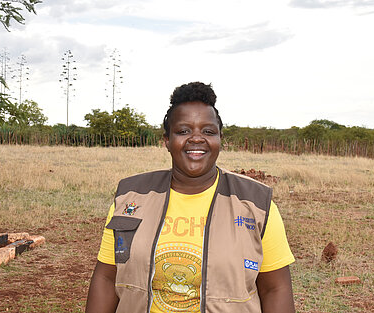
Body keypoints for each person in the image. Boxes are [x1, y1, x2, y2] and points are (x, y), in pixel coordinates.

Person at [86, 82, 295, 313]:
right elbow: (106, 278)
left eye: (208, 131)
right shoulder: (131, 197)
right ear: (166, 140)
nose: (196, 139)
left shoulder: (255, 204)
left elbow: (275, 289)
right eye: (184, 131)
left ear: (220, 139)